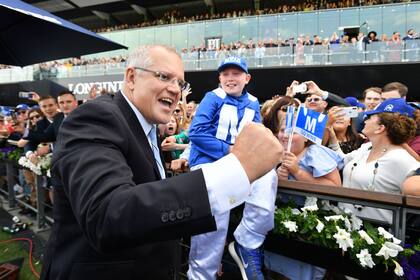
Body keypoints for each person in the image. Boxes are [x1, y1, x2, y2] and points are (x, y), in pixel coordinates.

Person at [40, 45, 283, 280]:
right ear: (132, 77)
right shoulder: (97, 117)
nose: (176, 90)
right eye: (164, 76)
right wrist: (237, 168)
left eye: (180, 83)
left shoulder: (146, 128)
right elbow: (107, 215)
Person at [187, 56, 278, 280]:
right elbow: (196, 132)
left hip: (235, 164)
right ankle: (200, 276)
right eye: (225, 74)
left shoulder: (254, 102)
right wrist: (230, 151)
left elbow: (258, 135)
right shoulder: (212, 97)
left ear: (246, 78)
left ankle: (247, 242)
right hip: (208, 164)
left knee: (269, 174)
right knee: (213, 225)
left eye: (235, 74)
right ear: (219, 78)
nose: (230, 78)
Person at [339, 98, 420, 224]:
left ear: (380, 128)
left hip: (375, 236)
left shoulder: (402, 159)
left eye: (371, 117)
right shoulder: (366, 148)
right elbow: (340, 160)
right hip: (342, 229)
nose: (365, 119)